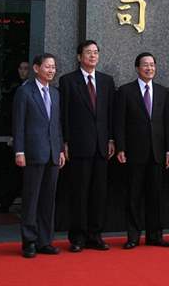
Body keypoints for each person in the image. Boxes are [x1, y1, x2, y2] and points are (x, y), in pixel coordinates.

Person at [59, 40, 115, 252]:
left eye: (95, 52)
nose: (93, 56)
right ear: (79, 57)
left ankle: (95, 235)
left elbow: (111, 113)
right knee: (79, 194)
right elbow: (63, 114)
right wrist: (65, 141)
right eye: (88, 52)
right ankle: (78, 237)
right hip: (78, 145)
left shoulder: (106, 81)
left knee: (99, 194)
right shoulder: (68, 81)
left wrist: (111, 139)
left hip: (102, 146)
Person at [114, 52, 169, 249]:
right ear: (137, 68)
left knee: (155, 196)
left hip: (158, 152)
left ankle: (155, 236)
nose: (149, 68)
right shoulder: (125, 91)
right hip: (134, 152)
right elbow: (119, 122)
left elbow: (168, 123)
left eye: (152, 65)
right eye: (145, 65)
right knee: (134, 196)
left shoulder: (163, 91)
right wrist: (121, 147)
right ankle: (133, 236)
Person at [13, 54, 65, 258]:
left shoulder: (55, 93)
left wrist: (60, 150)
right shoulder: (25, 92)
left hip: (53, 154)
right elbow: (18, 123)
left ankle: (45, 241)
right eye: (47, 67)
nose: (51, 70)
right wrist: (19, 151)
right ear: (36, 68)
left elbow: (57, 125)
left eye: (53, 67)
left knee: (48, 200)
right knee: (31, 199)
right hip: (33, 153)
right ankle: (29, 241)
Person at [0, 60, 30, 213]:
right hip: (18, 137)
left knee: (17, 174)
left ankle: (4, 203)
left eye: (26, 68)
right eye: (20, 68)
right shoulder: (17, 89)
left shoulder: (30, 89)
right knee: (15, 173)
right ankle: (4, 202)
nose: (23, 71)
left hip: (28, 139)